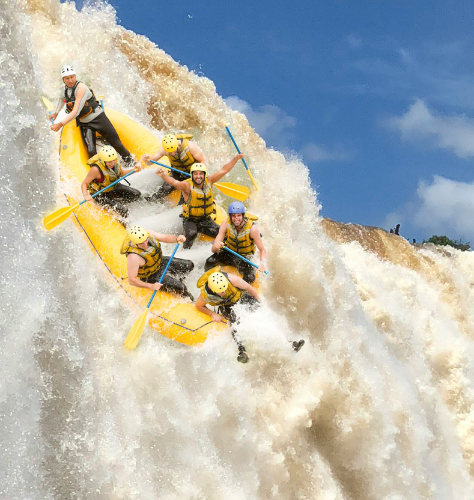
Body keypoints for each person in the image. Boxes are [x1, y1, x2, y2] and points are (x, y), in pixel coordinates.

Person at [195, 268, 305, 363]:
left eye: (224, 289)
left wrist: (259, 302)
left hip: (242, 298)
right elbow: (198, 306)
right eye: (221, 292)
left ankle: (290, 344)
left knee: (264, 318)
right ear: (214, 290)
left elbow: (249, 288)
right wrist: (212, 313)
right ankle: (242, 351)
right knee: (235, 324)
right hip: (228, 306)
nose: (223, 292)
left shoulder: (232, 280)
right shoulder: (206, 294)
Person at [50, 65, 135, 165]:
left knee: (116, 143)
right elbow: (61, 99)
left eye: (72, 77)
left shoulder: (81, 88)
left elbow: (76, 111)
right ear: (63, 79)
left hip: (98, 119)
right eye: (67, 78)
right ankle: (100, 173)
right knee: (91, 151)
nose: (70, 80)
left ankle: (131, 162)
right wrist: (55, 113)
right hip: (85, 124)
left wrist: (60, 124)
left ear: (75, 76)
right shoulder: (64, 89)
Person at [155, 154, 244, 249]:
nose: (198, 176)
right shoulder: (187, 186)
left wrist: (235, 159)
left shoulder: (209, 181)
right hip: (190, 219)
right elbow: (174, 182)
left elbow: (224, 170)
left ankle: (214, 248)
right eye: (195, 174)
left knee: (226, 235)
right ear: (192, 174)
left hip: (206, 219)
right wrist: (163, 176)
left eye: (200, 174)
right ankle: (185, 250)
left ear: (204, 175)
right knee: (192, 233)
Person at [121, 226, 194, 300]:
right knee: (181, 287)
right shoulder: (133, 257)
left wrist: (177, 239)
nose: (145, 244)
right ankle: (191, 300)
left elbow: (164, 237)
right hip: (151, 276)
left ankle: (177, 279)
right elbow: (132, 280)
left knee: (189, 265)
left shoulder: (148, 234)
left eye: (145, 240)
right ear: (135, 244)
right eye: (141, 244)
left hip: (160, 262)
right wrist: (151, 286)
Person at [204, 201, 266, 283]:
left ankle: (240, 293)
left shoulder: (252, 229)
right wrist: (216, 246)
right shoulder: (226, 223)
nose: (236, 218)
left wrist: (262, 264)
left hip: (244, 257)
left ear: (243, 215)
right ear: (230, 216)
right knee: (209, 261)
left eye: (239, 215)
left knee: (250, 277)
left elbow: (262, 250)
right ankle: (209, 282)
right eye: (233, 216)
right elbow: (213, 250)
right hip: (229, 252)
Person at [81, 146, 142, 221]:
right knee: (123, 210)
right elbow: (84, 183)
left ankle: (117, 202)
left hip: (112, 187)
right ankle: (119, 214)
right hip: (100, 194)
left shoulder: (115, 162)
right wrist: (86, 195)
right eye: (109, 162)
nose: (112, 163)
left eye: (113, 160)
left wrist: (134, 170)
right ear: (103, 161)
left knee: (136, 194)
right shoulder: (95, 170)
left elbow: (122, 173)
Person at [142, 134, 206, 202]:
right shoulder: (164, 149)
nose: (172, 154)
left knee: (185, 194)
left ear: (177, 144)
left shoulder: (190, 146)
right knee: (166, 188)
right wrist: (147, 160)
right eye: (170, 152)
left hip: (191, 173)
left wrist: (198, 174)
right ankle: (151, 200)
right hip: (177, 172)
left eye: (173, 150)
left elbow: (202, 160)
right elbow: (150, 162)